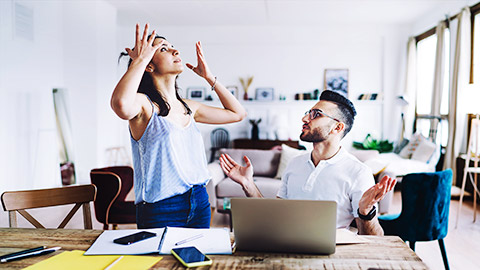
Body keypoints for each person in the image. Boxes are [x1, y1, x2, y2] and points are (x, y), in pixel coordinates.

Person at [111, 24, 246, 229]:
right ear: (149, 65)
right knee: (160, 263)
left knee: (196, 261)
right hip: (161, 208)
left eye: (172, 46)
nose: (176, 51)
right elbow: (120, 104)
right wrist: (139, 60)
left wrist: (209, 77)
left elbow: (238, 113)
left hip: (199, 201)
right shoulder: (144, 105)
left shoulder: (189, 106)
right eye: (163, 49)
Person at [220, 90, 396, 235]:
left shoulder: (358, 172)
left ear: (337, 127)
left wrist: (366, 213)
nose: (305, 119)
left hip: (332, 255)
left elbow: (374, 239)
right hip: (285, 246)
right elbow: (276, 215)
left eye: (316, 115)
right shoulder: (295, 164)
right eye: (308, 113)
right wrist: (248, 183)